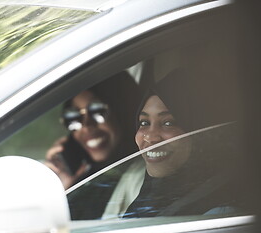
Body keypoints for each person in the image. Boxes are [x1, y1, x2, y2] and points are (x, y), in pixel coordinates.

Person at [121, 69, 247, 218]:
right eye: (144, 122)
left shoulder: (219, 217)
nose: (150, 137)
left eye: (168, 123)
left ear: (203, 132)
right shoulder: (153, 202)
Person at [45, 71, 140, 190]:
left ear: (124, 111)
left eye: (97, 110)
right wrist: (61, 186)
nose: (86, 126)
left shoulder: (142, 177)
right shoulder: (91, 182)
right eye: (73, 116)